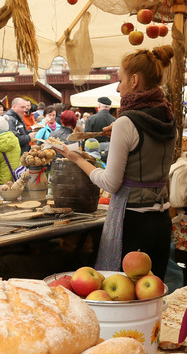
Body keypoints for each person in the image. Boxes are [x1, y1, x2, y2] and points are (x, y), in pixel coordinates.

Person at [53, 46, 177, 279]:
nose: (118, 88)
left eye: (120, 80)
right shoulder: (169, 118)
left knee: (125, 297)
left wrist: (77, 159)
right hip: (161, 221)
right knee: (152, 298)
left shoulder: (127, 122)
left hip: (133, 223)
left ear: (135, 79)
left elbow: (110, 183)